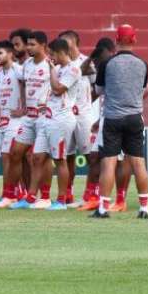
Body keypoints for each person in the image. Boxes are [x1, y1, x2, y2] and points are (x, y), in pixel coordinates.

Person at [91, 24, 148, 220]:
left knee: (108, 162)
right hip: (135, 117)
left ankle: (103, 207)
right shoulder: (143, 64)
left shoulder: (107, 64)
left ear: (116, 40)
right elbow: (143, 89)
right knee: (138, 163)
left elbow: (98, 90)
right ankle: (144, 207)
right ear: (134, 40)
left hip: (113, 117)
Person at [8, 30, 51, 209]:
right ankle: (22, 194)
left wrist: (50, 105)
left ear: (44, 46)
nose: (29, 47)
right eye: (29, 44)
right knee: (16, 152)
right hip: (29, 116)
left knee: (41, 158)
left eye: (33, 44)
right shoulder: (26, 64)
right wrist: (24, 106)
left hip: (45, 117)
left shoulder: (50, 65)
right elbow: (24, 84)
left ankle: (44, 197)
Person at [38, 38, 80, 210]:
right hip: (50, 118)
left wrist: (52, 70)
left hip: (62, 120)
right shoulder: (60, 68)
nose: (51, 57)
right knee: (38, 156)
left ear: (62, 52)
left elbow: (57, 89)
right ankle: (41, 196)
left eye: (53, 53)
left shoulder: (73, 69)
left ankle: (61, 199)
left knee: (60, 160)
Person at [75, 38, 116, 211]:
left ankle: (116, 198)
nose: (99, 61)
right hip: (104, 118)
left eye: (101, 55)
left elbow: (147, 89)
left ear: (109, 51)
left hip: (117, 118)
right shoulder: (100, 68)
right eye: (97, 57)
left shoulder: (116, 66)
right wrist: (92, 58)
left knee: (116, 161)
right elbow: (81, 72)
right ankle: (91, 195)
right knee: (95, 157)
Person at [0, 40, 24, 208]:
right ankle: (11, 192)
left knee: (8, 156)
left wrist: (23, 108)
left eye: (0, 53)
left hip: (16, 120)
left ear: (11, 54)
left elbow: (28, 85)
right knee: (5, 156)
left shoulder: (18, 70)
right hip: (3, 120)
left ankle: (9, 194)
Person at [59, 30, 89, 206]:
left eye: (65, 42)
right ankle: (67, 192)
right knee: (67, 156)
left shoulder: (86, 62)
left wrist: (86, 103)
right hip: (65, 115)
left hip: (84, 116)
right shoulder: (61, 65)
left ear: (74, 42)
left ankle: (90, 194)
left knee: (90, 156)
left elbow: (96, 87)